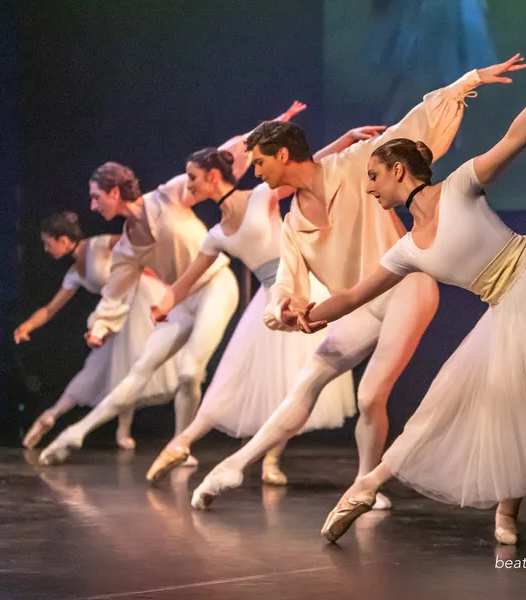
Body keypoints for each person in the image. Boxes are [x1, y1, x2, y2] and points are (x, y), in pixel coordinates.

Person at [301, 61, 526, 544]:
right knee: (457, 402)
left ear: (397, 170)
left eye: (372, 175)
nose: (368, 187)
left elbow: (515, 139)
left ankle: (503, 511)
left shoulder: (460, 185)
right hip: (505, 306)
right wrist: (306, 316)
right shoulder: (405, 249)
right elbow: (351, 296)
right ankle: (367, 485)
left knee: (520, 401)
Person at [189, 55, 526, 510]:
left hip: (407, 288)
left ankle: (366, 485)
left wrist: (468, 81)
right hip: (361, 304)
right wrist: (284, 310)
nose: (256, 172)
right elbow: (289, 286)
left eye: (260, 162)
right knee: (308, 379)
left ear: (283, 156)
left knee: (370, 394)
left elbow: (412, 127)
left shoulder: (353, 164)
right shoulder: (292, 223)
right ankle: (233, 465)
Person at [38, 103, 305, 466]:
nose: (92, 204)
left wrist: (277, 124)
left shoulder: (168, 195)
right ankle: (75, 434)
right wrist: (100, 328)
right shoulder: (127, 244)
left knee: (189, 371)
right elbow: (114, 291)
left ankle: (181, 447)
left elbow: (223, 162)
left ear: (115, 193)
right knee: (139, 371)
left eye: (96, 197)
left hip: (214, 286)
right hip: (178, 301)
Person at [146, 122, 388, 485]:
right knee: (232, 381)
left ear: (214, 177)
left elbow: (311, 165)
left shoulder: (262, 195)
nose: (188, 185)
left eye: (193, 177)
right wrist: (163, 305)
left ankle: (270, 460)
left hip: (303, 291)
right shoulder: (215, 235)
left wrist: (349, 138)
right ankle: (180, 444)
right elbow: (186, 281)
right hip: (270, 300)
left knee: (295, 383)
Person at [15, 212, 177, 450]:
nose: (46, 250)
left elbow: (134, 240)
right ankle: (52, 414)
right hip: (116, 311)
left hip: (140, 296)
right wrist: (28, 325)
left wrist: (146, 266)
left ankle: (123, 430)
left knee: (133, 362)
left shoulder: (98, 244)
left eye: (48, 244)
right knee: (104, 367)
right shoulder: (74, 274)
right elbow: (50, 309)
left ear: (63, 240)